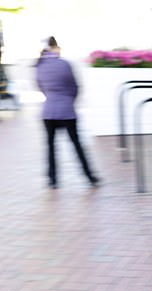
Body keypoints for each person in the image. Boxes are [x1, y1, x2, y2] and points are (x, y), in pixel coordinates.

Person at [36, 36, 99, 189]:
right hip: (67, 111)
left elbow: (40, 87)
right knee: (77, 145)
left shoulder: (39, 66)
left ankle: (52, 180)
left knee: (50, 146)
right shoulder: (64, 64)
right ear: (54, 48)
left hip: (48, 112)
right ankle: (90, 177)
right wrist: (68, 100)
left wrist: (52, 98)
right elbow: (75, 87)